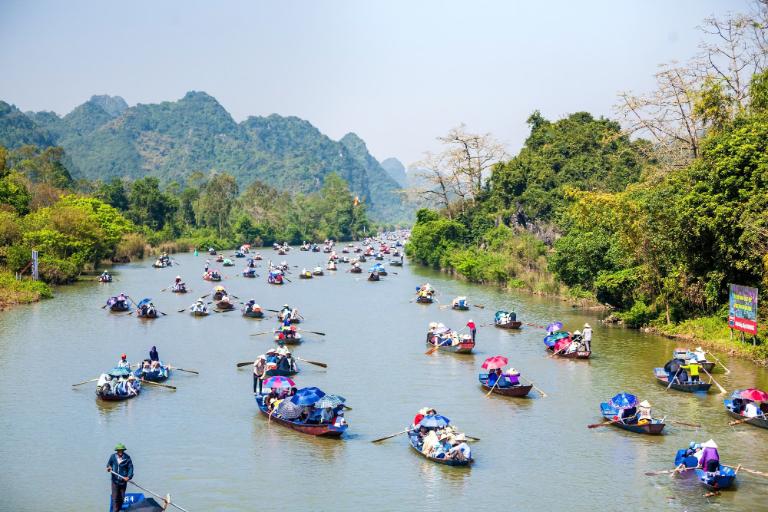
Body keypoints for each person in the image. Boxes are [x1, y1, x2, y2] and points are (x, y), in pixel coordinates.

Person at [107, 443, 134, 512]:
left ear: (123, 450)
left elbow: (130, 468)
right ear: (117, 451)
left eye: (121, 450)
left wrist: (128, 477)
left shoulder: (127, 458)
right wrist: (109, 468)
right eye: (119, 450)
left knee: (122, 498)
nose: (120, 452)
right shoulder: (113, 457)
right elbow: (108, 464)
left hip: (123, 481)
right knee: (115, 498)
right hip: (115, 481)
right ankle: (115, 511)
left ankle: (117, 510)